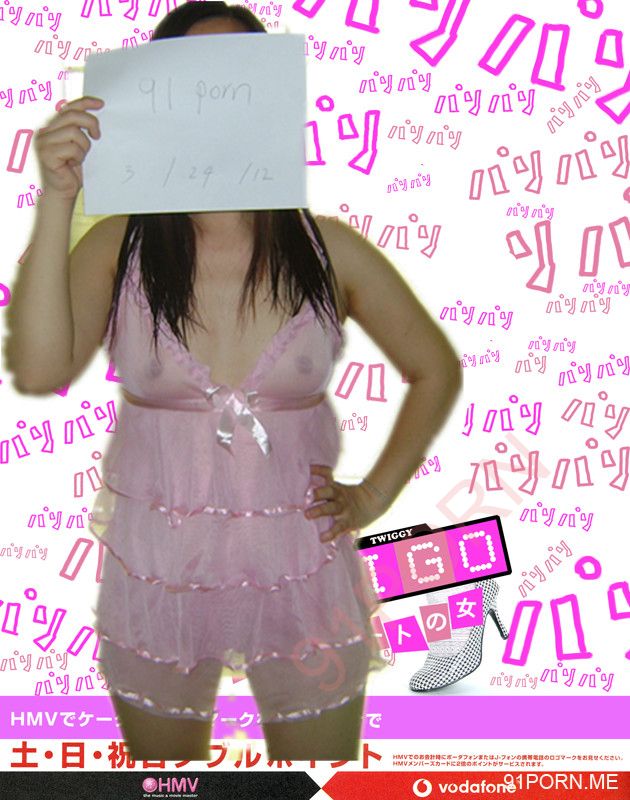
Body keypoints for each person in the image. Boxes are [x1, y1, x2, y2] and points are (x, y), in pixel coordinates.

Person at [5, 1, 461, 762]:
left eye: (238, 72)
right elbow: (40, 367)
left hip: (302, 568)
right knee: (170, 779)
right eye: (191, 76)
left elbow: (434, 368)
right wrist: (57, 197)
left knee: (312, 778)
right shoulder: (119, 246)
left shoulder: (327, 249)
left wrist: (373, 496)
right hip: (159, 574)